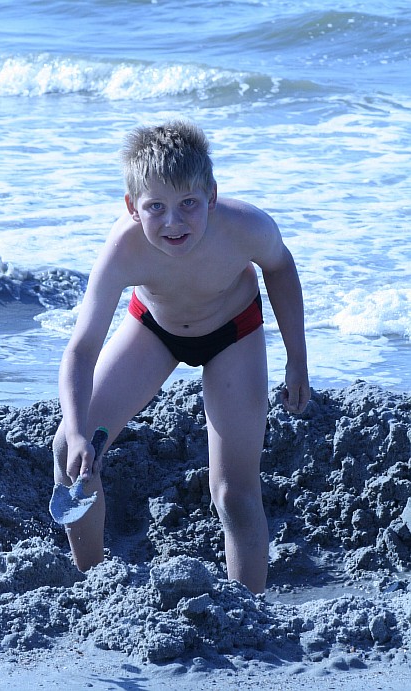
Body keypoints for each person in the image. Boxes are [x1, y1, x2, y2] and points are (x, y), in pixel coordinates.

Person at [52, 120, 310, 594]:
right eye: (156, 207)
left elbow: (280, 266)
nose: (174, 222)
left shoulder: (245, 227)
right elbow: (81, 350)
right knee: (71, 451)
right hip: (154, 330)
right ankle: (92, 584)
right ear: (132, 207)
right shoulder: (122, 249)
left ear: (211, 196)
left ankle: (248, 611)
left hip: (234, 333)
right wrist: (75, 429)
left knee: (234, 493)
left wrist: (297, 358)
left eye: (188, 203)